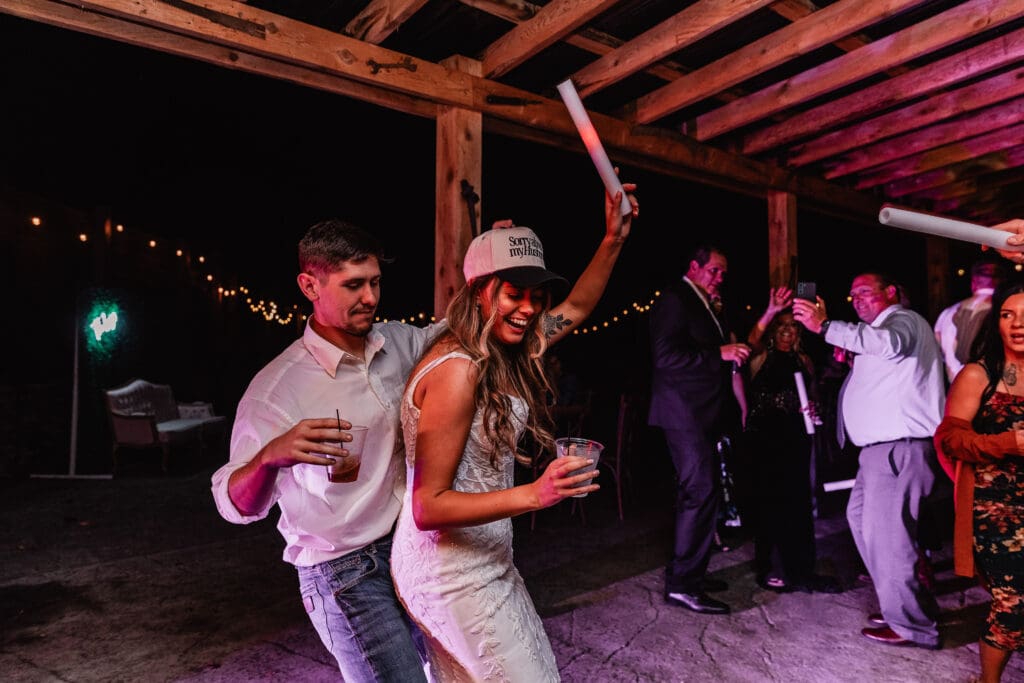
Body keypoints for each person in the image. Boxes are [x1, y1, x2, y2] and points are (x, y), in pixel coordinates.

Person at [390, 184, 638, 682]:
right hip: (449, 573)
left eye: (536, 297)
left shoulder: (508, 347)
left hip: (489, 559)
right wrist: (536, 493)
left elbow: (582, 305)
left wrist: (612, 239)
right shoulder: (457, 369)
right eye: (513, 294)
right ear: (481, 291)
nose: (528, 309)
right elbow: (428, 506)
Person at [210, 219, 445, 682]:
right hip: (344, 574)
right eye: (353, 285)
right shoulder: (278, 388)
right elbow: (234, 504)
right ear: (309, 285)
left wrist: (491, 268)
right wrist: (270, 457)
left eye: (375, 282)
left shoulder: (400, 343)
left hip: (409, 552)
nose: (371, 298)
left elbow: (465, 332)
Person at [793, 271, 945, 650]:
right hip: (878, 454)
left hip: (898, 449)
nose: (857, 299)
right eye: (852, 295)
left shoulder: (902, 321)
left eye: (864, 292)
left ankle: (913, 626)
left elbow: (889, 344)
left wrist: (825, 325)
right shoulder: (878, 337)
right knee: (861, 523)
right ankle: (904, 605)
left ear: (890, 292)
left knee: (889, 540)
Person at [647, 244, 751, 615]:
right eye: (715, 271)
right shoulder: (676, 299)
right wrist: (719, 353)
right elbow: (664, 357)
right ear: (694, 266)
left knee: (704, 495)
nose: (720, 278)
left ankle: (692, 572)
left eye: (724, 273)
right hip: (683, 415)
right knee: (700, 492)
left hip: (704, 414)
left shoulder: (706, 303)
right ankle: (683, 586)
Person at [934, 280, 1024, 683]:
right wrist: (1006, 443)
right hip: (995, 513)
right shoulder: (979, 374)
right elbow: (950, 438)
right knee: (1013, 604)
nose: (1018, 325)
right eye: (1008, 315)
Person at [744, 290, 842, 594]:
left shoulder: (804, 360)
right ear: (774, 330)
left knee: (798, 504)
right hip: (765, 437)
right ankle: (772, 567)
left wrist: (812, 407)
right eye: (782, 326)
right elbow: (750, 344)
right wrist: (769, 312)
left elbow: (811, 396)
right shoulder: (760, 357)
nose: (788, 331)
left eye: (793, 326)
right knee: (771, 503)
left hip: (796, 437)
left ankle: (802, 569)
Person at [934, 257, 1005, 384]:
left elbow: (938, 351)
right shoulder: (1007, 311)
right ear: (1002, 282)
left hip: (957, 389)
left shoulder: (946, 314)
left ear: (973, 283)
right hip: (996, 390)